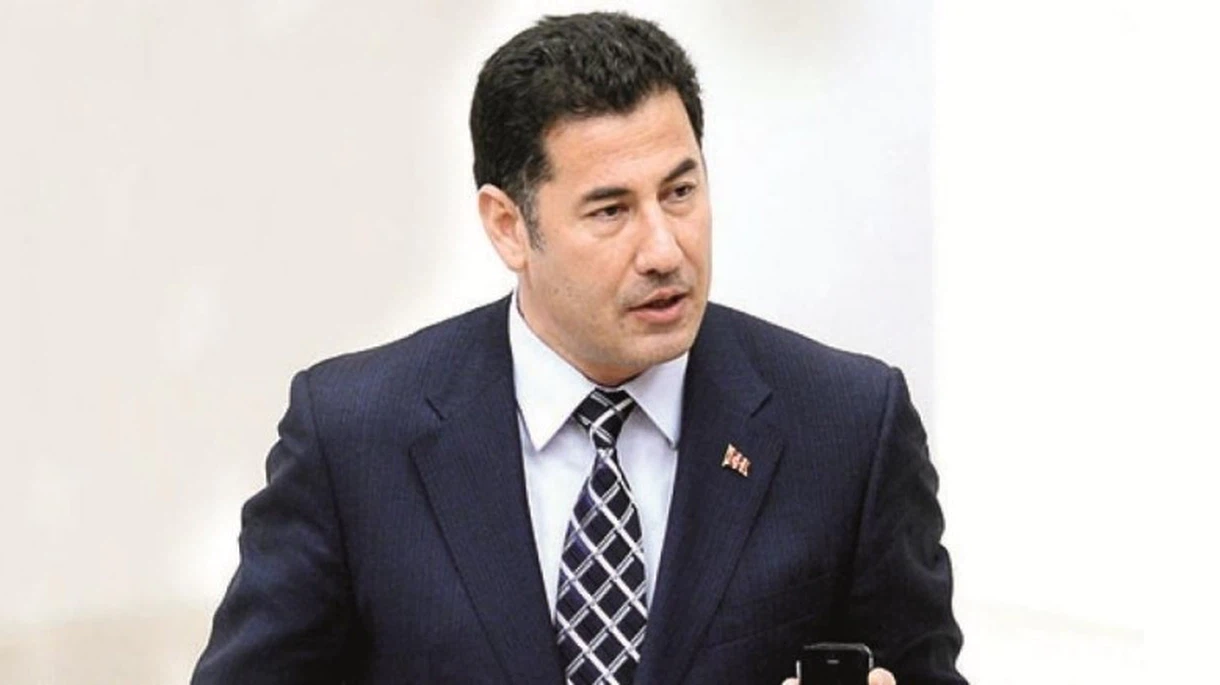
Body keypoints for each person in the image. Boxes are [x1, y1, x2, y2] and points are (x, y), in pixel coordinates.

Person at [192, 11, 965, 685]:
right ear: (508, 226)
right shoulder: (354, 436)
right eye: (610, 210)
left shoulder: (847, 426)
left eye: (680, 192)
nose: (664, 249)